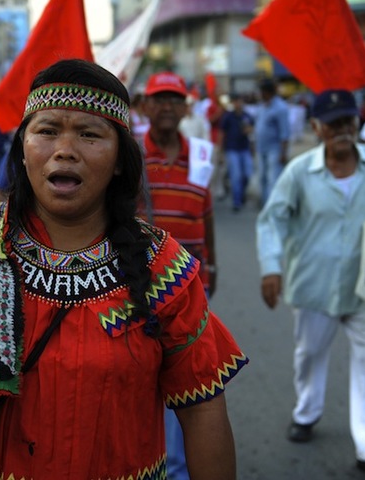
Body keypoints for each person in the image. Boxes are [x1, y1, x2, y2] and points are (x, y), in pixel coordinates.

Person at [0, 58, 247, 480]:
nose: (65, 150)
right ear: (23, 149)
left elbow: (203, 406)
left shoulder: (164, 266)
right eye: (47, 131)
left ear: (121, 160)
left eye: (90, 135)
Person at [256, 89, 365, 480]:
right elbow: (272, 219)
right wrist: (270, 268)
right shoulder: (299, 171)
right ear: (316, 128)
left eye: (347, 122)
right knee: (309, 355)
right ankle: (307, 412)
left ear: (358, 123)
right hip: (313, 286)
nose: (341, 130)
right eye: (332, 124)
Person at [139, 70, 219, 480]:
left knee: (189, 381)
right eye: (160, 99)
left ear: (185, 107)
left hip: (191, 288)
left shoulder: (203, 154)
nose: (167, 106)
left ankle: (177, 470)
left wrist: (213, 262)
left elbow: (205, 212)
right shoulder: (130, 156)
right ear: (147, 106)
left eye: (175, 99)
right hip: (139, 287)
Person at [254, 79, 292, 206]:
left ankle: (273, 206)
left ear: (268, 92)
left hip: (274, 149)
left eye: (262, 92)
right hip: (261, 148)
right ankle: (265, 204)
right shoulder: (262, 106)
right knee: (262, 178)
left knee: (273, 178)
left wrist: (283, 152)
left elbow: (284, 132)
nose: (260, 95)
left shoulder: (280, 108)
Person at [217, 93, 254, 211]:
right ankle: (236, 201)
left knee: (247, 174)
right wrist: (220, 152)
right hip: (232, 149)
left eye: (240, 101)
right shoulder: (228, 117)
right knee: (236, 175)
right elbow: (222, 134)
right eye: (236, 102)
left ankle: (241, 193)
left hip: (244, 148)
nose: (238, 104)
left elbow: (252, 133)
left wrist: (249, 132)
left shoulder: (247, 116)